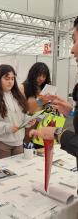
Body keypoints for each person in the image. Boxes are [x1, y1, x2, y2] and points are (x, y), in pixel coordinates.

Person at [30, 16, 78, 154]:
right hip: (33, 127)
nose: (71, 50)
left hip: (47, 125)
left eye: (44, 75)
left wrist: (58, 133)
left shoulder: (48, 87)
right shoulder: (25, 87)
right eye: (39, 75)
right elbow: (27, 109)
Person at [0, 64, 31, 161]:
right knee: (2, 174)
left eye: (12, 79)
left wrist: (28, 120)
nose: (10, 82)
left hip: (18, 142)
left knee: (18, 172)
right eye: (7, 79)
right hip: (0, 143)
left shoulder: (17, 96)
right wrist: (7, 127)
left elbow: (22, 115)